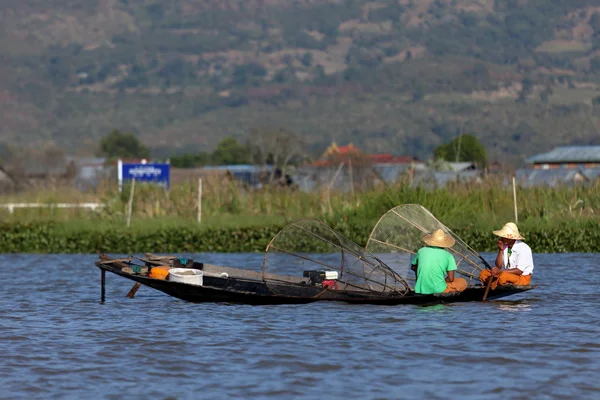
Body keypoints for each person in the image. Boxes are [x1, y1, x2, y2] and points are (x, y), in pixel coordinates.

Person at [411, 229, 468, 294]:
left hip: (419, 289)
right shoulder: (449, 256)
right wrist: (443, 281)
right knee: (462, 282)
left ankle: (423, 286)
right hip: (439, 290)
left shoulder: (421, 251)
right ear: (444, 243)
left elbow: (413, 267)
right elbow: (451, 279)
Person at [479, 222, 534, 289]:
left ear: (510, 238)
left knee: (503, 276)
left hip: (521, 278)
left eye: (504, 236)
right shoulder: (504, 246)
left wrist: (500, 271)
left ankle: (495, 283)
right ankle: (497, 282)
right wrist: (501, 250)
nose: (501, 238)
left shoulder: (524, 248)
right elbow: (498, 266)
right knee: (483, 273)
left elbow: (519, 271)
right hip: (508, 275)